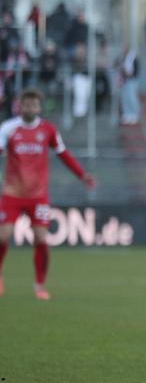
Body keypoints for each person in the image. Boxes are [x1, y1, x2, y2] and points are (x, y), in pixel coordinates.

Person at [0, 89, 96, 299]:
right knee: (3, 236)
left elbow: (63, 154)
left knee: (41, 239)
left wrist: (82, 175)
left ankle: (39, 285)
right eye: (26, 104)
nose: (30, 108)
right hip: (12, 194)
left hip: (38, 195)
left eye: (34, 105)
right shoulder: (8, 128)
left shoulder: (48, 130)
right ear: (19, 106)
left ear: (39, 107)